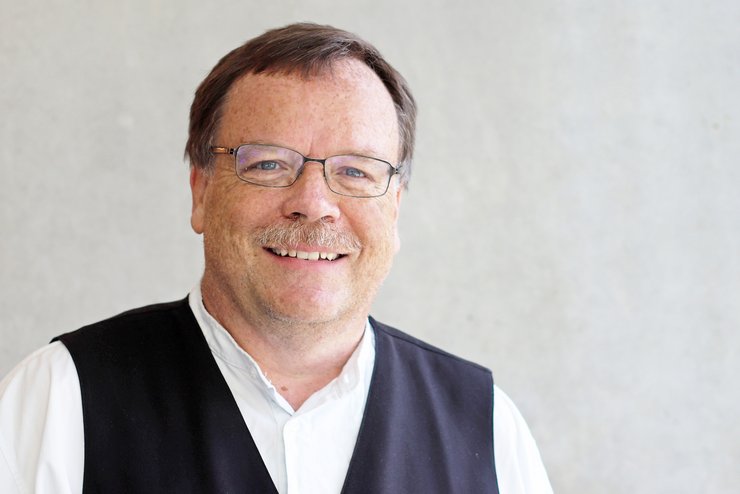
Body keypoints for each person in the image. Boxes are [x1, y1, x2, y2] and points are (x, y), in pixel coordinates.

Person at [0, 23, 553, 493]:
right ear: (200, 191)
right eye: (268, 164)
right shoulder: (61, 400)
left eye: (355, 171)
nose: (313, 203)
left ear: (395, 207)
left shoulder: (487, 429)